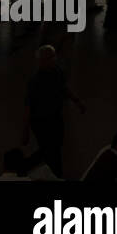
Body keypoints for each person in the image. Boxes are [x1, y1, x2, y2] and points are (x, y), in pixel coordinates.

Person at [23, 45, 85, 178]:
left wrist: (77, 101)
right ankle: (57, 175)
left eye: (53, 56)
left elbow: (63, 87)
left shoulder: (57, 71)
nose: (54, 59)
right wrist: (26, 129)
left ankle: (26, 166)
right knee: (51, 151)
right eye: (50, 57)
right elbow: (29, 105)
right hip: (40, 121)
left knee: (53, 148)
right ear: (42, 61)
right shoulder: (35, 81)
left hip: (55, 117)